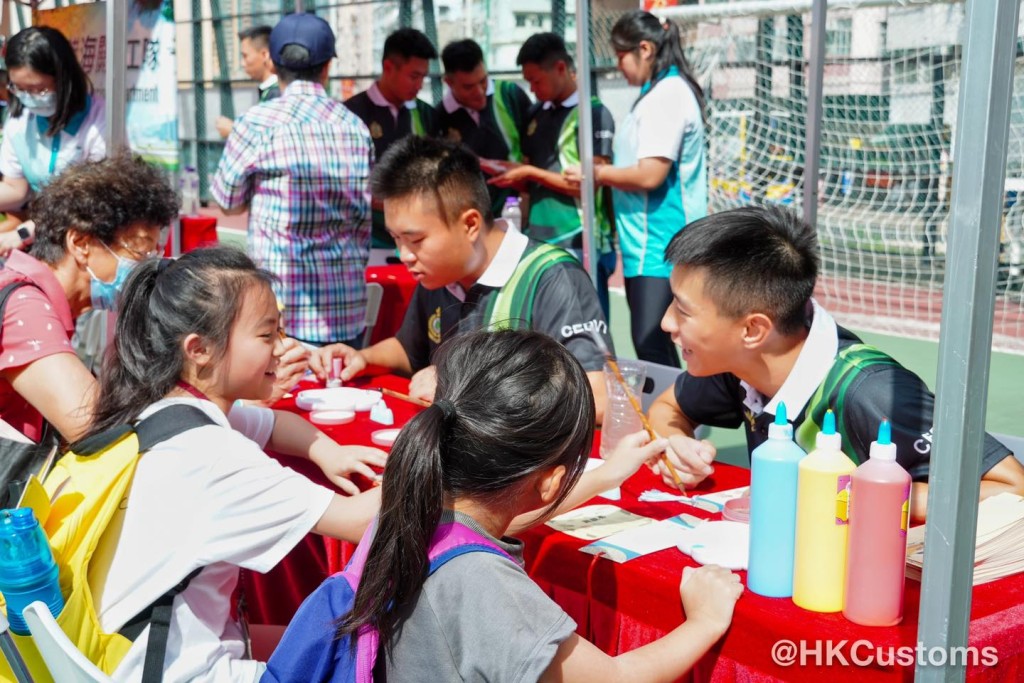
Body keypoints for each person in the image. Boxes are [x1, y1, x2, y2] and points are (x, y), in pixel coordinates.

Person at [268, 329, 743, 682]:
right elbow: (614, 678)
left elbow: (504, 515)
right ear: (551, 479)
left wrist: (605, 475)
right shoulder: (481, 582)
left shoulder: (414, 508)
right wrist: (704, 621)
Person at [85, 247, 384, 681]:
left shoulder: (161, 410)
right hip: (183, 671)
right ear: (200, 349)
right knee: (365, 647)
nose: (282, 349)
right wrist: (447, 459)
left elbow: (273, 423)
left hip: (126, 657)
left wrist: (328, 452)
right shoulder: (214, 458)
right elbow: (357, 521)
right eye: (267, 336)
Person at [647, 206, 1024, 521]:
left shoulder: (872, 390)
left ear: (752, 329)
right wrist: (677, 446)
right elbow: (667, 408)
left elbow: (1014, 489)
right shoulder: (739, 364)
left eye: (682, 311)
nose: (665, 323)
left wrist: (868, 495)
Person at [310, 136, 613, 423]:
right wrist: (362, 357)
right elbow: (409, 349)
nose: (404, 255)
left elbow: (596, 398)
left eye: (415, 240)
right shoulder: (439, 275)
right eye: (396, 238)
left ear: (470, 224)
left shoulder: (552, 277)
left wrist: (459, 386)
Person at [0, 154, 171, 493]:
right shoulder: (26, 307)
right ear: (80, 243)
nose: (147, 270)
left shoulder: (36, 297)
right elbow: (95, 428)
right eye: (139, 254)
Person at [212, 13, 373, 348]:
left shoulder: (257, 122)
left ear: (272, 62)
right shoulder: (356, 127)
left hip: (280, 313)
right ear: (327, 66)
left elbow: (227, 200)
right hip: (346, 311)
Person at [567, 11, 707, 367]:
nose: (618, 67)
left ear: (644, 49)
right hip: (643, 245)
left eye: (620, 56)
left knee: (653, 342)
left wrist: (596, 173)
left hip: (661, 244)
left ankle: (679, 419)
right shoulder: (653, 94)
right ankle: (679, 416)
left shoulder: (668, 95)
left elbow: (650, 174)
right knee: (653, 343)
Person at [490, 32, 616, 314]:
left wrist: (530, 172)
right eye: (528, 81)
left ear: (561, 68)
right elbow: (528, 176)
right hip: (537, 238)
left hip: (579, 238)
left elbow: (588, 184)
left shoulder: (594, 113)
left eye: (536, 80)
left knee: (588, 326)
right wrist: (507, 171)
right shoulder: (535, 113)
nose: (532, 89)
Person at [345, 28, 438, 250]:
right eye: (414, 76)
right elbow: (347, 184)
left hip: (417, 239)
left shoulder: (426, 114)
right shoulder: (351, 115)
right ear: (388, 67)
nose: (419, 85)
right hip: (366, 239)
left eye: (423, 78)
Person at [0, 27, 105, 218]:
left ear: (63, 78)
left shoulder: (100, 121)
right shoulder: (19, 121)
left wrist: (28, 231)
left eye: (38, 89)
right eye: (20, 88)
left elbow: (96, 200)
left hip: (85, 229)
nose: (29, 98)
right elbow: (15, 189)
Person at [436, 38, 532, 215]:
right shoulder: (440, 116)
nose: (480, 92)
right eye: (468, 87)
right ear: (448, 83)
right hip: (468, 216)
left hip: (515, 212)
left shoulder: (510, 95)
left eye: (483, 81)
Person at [215, 25, 280, 139]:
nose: (242, 63)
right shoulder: (269, 91)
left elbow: (270, 140)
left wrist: (233, 131)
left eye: (245, 56)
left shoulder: (277, 94)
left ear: (264, 55)